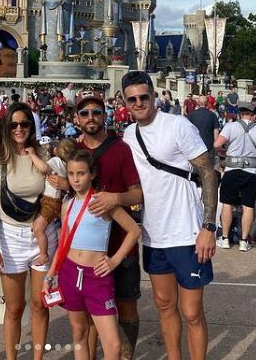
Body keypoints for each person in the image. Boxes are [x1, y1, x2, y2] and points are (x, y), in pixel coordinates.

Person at [121, 71, 218, 360]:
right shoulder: (128, 135)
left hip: (187, 230)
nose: (139, 103)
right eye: (132, 99)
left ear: (153, 95)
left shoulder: (177, 125)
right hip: (154, 234)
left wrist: (209, 226)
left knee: (191, 312)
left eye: (143, 97)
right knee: (164, 305)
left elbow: (207, 172)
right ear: (125, 102)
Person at [43, 149, 141, 360]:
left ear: (92, 174)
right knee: (79, 333)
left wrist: (114, 260)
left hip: (97, 278)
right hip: (70, 273)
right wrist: (50, 275)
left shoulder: (102, 202)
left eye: (81, 173)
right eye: (71, 174)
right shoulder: (67, 204)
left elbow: (134, 230)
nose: (76, 179)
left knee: (113, 345)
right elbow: (63, 243)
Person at [0, 102, 57, 360]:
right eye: (13, 124)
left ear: (31, 126)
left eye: (24, 123)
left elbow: (55, 188)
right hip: (10, 236)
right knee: (14, 308)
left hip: (41, 235)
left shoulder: (43, 154)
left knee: (40, 304)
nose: (19, 129)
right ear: (6, 126)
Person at [76, 94, 143, 360]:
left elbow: (137, 195)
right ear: (76, 118)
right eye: (84, 113)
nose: (91, 118)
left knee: (126, 309)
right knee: (90, 315)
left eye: (96, 112)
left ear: (105, 116)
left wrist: (115, 198)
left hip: (120, 243)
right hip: (87, 249)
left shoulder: (120, 149)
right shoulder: (73, 151)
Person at [213, 103, 256, 252]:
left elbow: (217, 144)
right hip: (251, 172)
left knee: (227, 204)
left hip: (231, 170)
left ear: (239, 114)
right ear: (254, 116)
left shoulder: (230, 127)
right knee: (248, 206)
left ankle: (225, 239)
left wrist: (225, 150)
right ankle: (244, 241)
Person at [27, 138, 77, 266]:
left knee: (38, 228)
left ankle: (43, 254)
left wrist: (32, 155)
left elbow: (44, 168)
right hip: (53, 202)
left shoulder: (56, 161)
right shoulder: (66, 165)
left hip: (50, 202)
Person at [188, 96, 220, 170]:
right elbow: (216, 131)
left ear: (198, 103)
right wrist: (216, 147)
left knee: (195, 171)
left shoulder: (192, 115)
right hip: (208, 146)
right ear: (207, 103)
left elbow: (187, 131)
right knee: (208, 170)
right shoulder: (212, 115)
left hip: (195, 147)